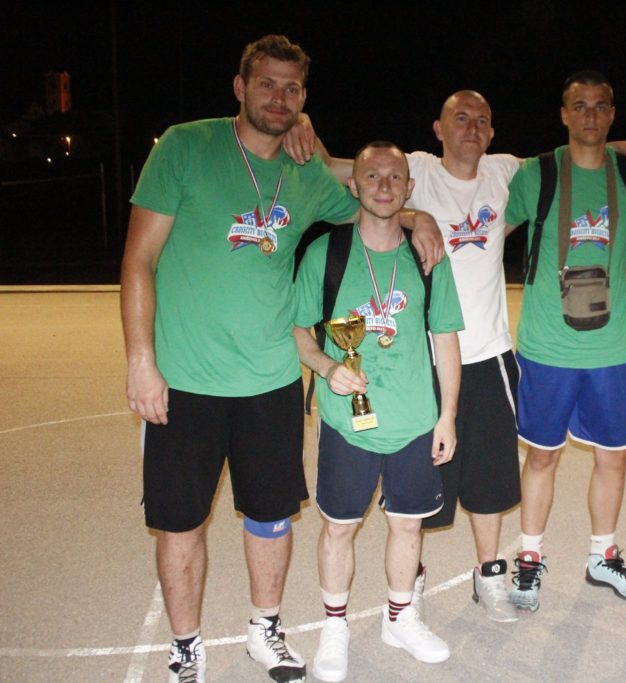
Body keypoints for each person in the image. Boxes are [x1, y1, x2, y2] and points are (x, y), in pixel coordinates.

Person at [120, 35, 443, 683]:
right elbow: (138, 260)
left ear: (304, 99)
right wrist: (141, 360)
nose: (278, 98)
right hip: (186, 378)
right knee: (181, 522)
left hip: (270, 379)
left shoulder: (305, 175)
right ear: (240, 87)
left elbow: (371, 200)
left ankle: (264, 629)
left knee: (270, 517)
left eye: (292, 88)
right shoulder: (186, 146)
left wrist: (418, 215)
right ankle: (185, 645)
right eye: (266, 84)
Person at [283, 92, 626, 621]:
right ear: (438, 128)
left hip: (489, 351)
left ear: (493, 132)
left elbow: (574, 151)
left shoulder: (504, 171)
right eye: (460, 119)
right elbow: (342, 171)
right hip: (421, 354)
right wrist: (301, 120)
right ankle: (411, 576)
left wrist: (613, 144)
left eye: (482, 120)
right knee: (420, 477)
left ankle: (489, 573)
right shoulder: (417, 169)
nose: (472, 128)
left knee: (490, 477)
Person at [292, 142, 464, 681]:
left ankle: (400, 618)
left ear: (409, 189)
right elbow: (298, 331)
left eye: (395, 177)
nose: (384, 186)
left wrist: (448, 416)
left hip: (414, 420)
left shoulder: (427, 256)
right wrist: (327, 367)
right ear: (354, 184)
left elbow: (447, 338)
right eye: (372, 176)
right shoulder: (326, 254)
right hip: (348, 422)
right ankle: (334, 627)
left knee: (408, 526)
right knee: (339, 529)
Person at [502, 70, 626, 613]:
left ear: (612, 114)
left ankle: (601, 556)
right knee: (542, 457)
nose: (590, 115)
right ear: (564, 114)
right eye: (580, 106)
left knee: (614, 458)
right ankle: (529, 557)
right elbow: (486, 229)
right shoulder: (537, 174)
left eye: (600, 106)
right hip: (547, 347)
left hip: (610, 348)